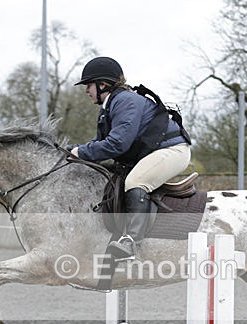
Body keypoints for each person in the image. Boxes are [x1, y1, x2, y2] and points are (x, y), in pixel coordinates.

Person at [68, 56, 192, 260]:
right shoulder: (110, 105)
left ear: (102, 84)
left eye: (88, 85)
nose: (86, 90)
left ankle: (132, 243)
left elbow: (117, 144)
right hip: (154, 151)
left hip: (172, 150)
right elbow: (101, 145)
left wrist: (81, 152)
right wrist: (76, 150)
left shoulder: (125, 101)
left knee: (136, 181)